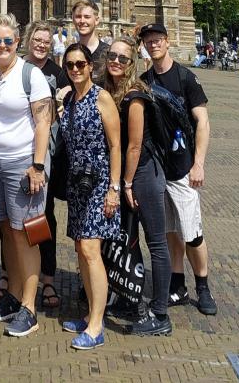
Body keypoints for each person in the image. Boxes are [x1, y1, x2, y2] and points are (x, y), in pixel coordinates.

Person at [0, 13, 53, 340]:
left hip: (23, 164)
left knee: (26, 233)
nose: (2, 46)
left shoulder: (31, 75)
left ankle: (29, 308)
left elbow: (43, 122)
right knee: (6, 230)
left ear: (17, 43)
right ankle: (15, 295)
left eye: (8, 41)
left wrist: (37, 165)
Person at [139, 23, 217, 316]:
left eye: (157, 40)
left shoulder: (186, 78)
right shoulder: (145, 80)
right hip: (159, 168)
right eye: (149, 41)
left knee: (192, 232)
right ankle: (177, 285)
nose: (153, 44)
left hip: (183, 167)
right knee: (171, 229)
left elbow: (203, 122)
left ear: (167, 42)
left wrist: (199, 164)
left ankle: (203, 286)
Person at [101, 35, 171, 337]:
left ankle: (159, 314)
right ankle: (131, 300)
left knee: (156, 242)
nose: (116, 62)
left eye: (123, 59)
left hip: (142, 175)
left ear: (132, 64)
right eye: (112, 57)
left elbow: (134, 145)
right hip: (127, 178)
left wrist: (124, 184)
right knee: (129, 240)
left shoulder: (135, 95)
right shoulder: (111, 90)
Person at [57, 43, 121, 350]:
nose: (75, 69)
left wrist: (114, 188)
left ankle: (97, 326)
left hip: (99, 184)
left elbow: (116, 146)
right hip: (77, 184)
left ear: (90, 66)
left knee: (92, 250)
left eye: (80, 64)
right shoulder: (69, 99)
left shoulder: (101, 97)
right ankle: (89, 315)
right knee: (81, 249)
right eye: (70, 65)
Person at [21, 21, 68, 312]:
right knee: (12, 221)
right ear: (28, 40)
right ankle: (13, 274)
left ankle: (46, 276)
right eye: (36, 39)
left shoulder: (58, 73)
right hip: (16, 153)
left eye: (46, 41)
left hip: (44, 155)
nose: (41, 44)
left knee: (43, 215)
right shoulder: (16, 68)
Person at [72, 0, 108, 73]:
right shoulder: (70, 53)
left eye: (87, 17)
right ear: (73, 20)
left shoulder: (108, 53)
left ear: (97, 20)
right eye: (78, 17)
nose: (82, 21)